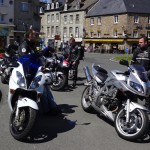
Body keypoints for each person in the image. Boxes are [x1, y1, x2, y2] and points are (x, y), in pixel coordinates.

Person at [18, 29, 61, 115]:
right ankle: (49, 109)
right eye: (34, 35)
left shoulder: (32, 45)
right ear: (28, 36)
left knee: (45, 87)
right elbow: (26, 60)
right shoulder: (24, 45)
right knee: (42, 88)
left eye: (36, 35)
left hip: (32, 71)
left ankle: (51, 107)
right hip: (26, 73)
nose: (36, 36)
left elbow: (36, 57)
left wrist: (42, 64)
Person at [132, 35, 150, 109]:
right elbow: (132, 62)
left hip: (148, 75)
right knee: (134, 90)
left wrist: (148, 72)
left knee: (148, 93)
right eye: (139, 42)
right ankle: (133, 105)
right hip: (137, 75)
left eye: (141, 42)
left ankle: (147, 107)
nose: (139, 43)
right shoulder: (137, 50)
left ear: (146, 42)